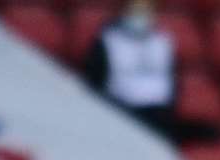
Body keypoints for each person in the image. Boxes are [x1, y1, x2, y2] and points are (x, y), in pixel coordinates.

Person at [81, 0, 202, 145]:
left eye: (146, 9)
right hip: (123, 113)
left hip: (160, 114)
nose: (141, 14)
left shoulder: (162, 41)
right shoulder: (108, 41)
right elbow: (94, 84)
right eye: (137, 9)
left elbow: (173, 82)